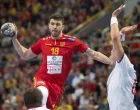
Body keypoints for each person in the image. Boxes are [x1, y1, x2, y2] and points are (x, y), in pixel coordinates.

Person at [9, 13, 112, 109]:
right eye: (52, 24)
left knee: (47, 106)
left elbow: (94, 54)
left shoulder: (72, 41)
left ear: (62, 27)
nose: (54, 26)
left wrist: (110, 61)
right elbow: (25, 55)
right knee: (42, 92)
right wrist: (14, 39)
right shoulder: (43, 42)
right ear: (49, 25)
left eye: (57, 24)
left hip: (57, 85)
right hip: (42, 78)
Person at [107, 4, 138, 110]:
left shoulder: (124, 66)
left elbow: (115, 39)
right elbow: (120, 45)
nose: (110, 53)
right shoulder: (121, 69)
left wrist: (114, 17)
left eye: (112, 51)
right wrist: (122, 33)